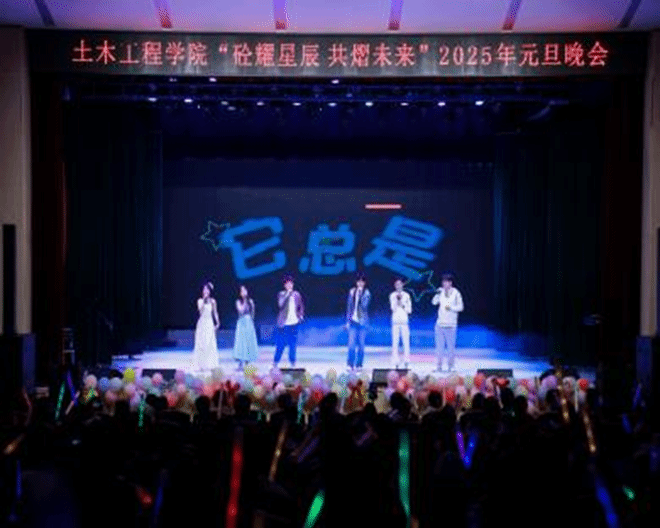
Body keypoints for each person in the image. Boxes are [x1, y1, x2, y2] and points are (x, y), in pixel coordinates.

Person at [431, 273, 463, 372]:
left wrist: (451, 308)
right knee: (439, 348)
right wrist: (437, 294)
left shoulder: (456, 293)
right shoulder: (440, 292)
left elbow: (461, 307)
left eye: (446, 282)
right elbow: (434, 302)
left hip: (451, 325)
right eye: (443, 282)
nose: (444, 284)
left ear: (450, 283)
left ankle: (451, 366)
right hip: (440, 324)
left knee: (450, 348)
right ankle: (438, 366)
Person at [274, 275, 304, 368]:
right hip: (284, 324)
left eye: (291, 284)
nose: (290, 285)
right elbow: (280, 305)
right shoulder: (281, 294)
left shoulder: (296, 294)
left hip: (294, 323)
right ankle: (275, 362)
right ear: (285, 285)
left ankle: (292, 363)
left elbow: (301, 306)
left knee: (292, 345)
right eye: (288, 284)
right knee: (281, 344)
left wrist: (300, 316)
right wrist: (287, 295)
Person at [346, 273, 371, 371]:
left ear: (364, 283)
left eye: (362, 282)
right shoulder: (352, 292)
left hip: (363, 322)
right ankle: (350, 364)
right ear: (356, 282)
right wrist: (347, 321)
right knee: (351, 344)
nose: (360, 283)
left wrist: (360, 295)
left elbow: (364, 306)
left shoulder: (367, 293)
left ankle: (359, 365)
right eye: (359, 281)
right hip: (353, 321)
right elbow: (349, 307)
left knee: (361, 345)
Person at [193, 282, 220, 371]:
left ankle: (209, 364)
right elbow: (200, 311)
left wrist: (217, 322)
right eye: (204, 289)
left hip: (209, 323)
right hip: (202, 323)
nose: (205, 291)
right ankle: (201, 365)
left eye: (207, 289)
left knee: (209, 342)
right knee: (202, 343)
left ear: (209, 291)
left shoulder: (213, 301)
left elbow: (215, 312)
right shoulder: (200, 301)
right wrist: (204, 300)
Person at [233, 285, 258, 371]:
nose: (243, 292)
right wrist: (244, 301)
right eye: (242, 291)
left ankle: (248, 362)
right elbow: (241, 310)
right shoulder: (238, 301)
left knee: (248, 341)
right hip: (241, 322)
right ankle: (240, 363)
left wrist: (251, 320)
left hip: (249, 322)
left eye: (245, 290)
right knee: (241, 342)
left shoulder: (250, 301)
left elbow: (253, 312)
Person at [390, 277, 412, 369]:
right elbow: (393, 308)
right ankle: (396, 361)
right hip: (395, 322)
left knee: (406, 342)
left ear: (403, 285)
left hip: (404, 322)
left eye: (400, 284)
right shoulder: (392, 295)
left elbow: (409, 310)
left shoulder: (407, 295)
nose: (398, 286)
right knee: (395, 343)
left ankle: (406, 361)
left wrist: (403, 304)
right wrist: (397, 301)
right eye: (397, 284)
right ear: (395, 286)